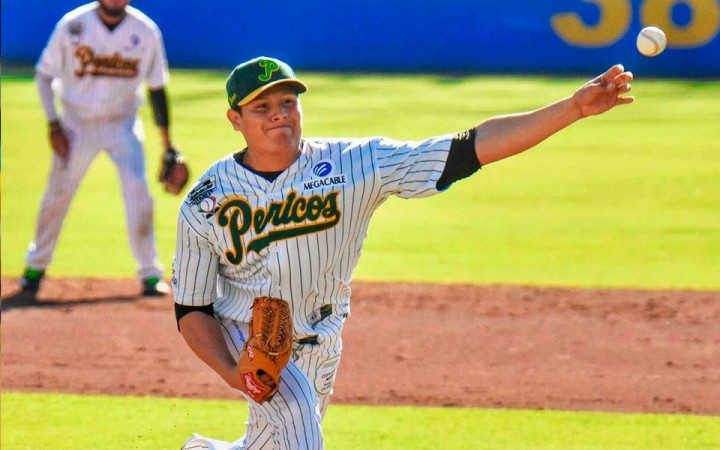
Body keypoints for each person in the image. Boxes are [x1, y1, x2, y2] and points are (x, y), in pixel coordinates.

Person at [174, 56, 634, 449]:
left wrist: (573, 108)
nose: (279, 115)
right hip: (250, 336)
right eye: (262, 107)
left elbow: (466, 149)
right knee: (299, 432)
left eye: (288, 103)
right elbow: (191, 307)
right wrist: (232, 372)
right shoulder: (205, 201)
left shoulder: (355, 164)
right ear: (235, 119)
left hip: (323, 338)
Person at [20, 0, 175, 297]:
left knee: (139, 192)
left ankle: (149, 273)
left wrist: (167, 144)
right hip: (76, 124)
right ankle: (35, 266)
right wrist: (53, 123)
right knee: (57, 194)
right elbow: (44, 74)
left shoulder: (145, 31)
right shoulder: (72, 25)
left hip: (122, 124)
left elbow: (157, 88)